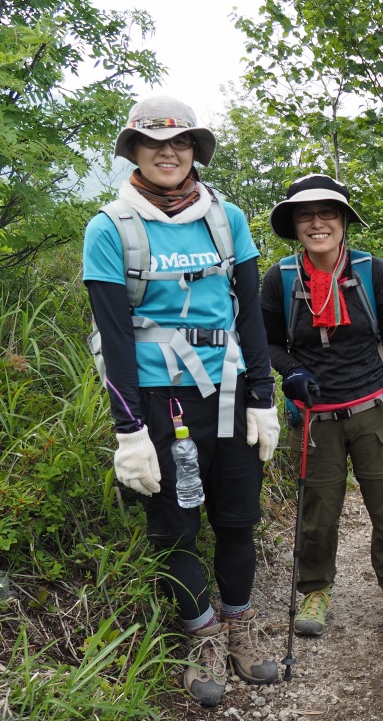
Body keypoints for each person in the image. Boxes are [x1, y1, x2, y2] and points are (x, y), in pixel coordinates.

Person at [82, 95, 281, 706]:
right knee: (173, 529)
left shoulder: (228, 218)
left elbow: (250, 316)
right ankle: (200, 637)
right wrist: (128, 430)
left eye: (181, 143)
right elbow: (115, 338)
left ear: (195, 150)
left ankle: (240, 629)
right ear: (134, 152)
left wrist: (262, 394)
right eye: (155, 143)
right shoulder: (110, 228)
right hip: (157, 395)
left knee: (237, 519)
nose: (169, 153)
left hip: (227, 385)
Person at [260, 174, 383, 639]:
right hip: (313, 419)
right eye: (305, 215)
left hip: (372, 410)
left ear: (344, 221)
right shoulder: (281, 278)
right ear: (294, 225)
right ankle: (314, 590)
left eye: (327, 213)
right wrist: (289, 371)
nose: (316, 223)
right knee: (316, 514)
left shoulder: (372, 271)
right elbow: (267, 344)